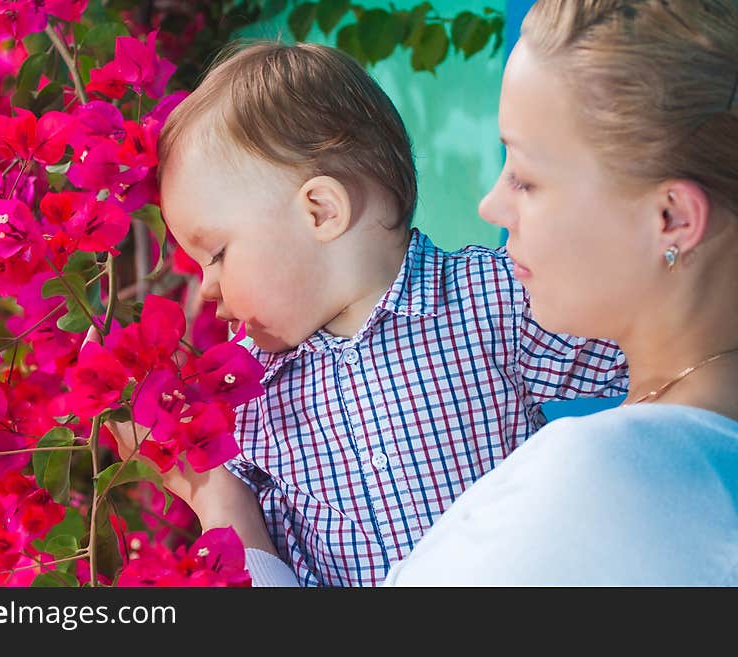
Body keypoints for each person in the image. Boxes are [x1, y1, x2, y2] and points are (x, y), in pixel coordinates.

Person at [196, 0, 738, 586]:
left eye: (527, 178)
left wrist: (216, 503)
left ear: (673, 218)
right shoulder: (253, 390)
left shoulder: (601, 472)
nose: (490, 207)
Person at [103, 40, 628, 587]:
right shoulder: (247, 395)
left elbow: (667, 345)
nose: (206, 287)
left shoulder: (489, 302)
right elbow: (252, 564)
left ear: (321, 211)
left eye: (216, 254)